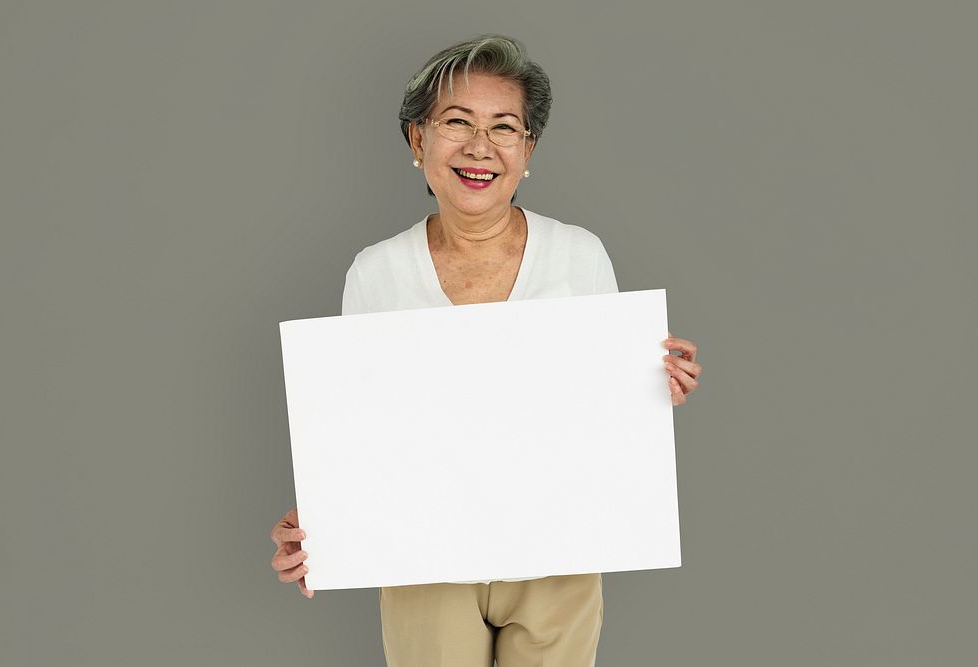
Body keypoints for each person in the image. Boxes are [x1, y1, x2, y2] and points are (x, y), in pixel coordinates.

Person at [270, 35, 702, 667]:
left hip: (559, 553)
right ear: (418, 142)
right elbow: (362, 429)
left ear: (528, 151)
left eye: (504, 127)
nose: (480, 147)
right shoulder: (377, 271)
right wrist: (321, 519)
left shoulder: (579, 255)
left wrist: (651, 383)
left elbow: (605, 413)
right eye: (456, 123)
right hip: (424, 558)